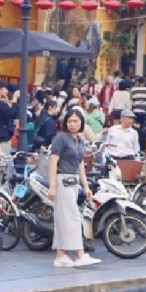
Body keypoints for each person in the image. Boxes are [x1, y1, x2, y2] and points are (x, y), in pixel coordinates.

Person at [47, 108, 101, 269]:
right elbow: (53, 161)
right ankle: (79, 254)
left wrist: (86, 186)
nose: (72, 124)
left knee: (64, 219)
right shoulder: (61, 138)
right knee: (72, 218)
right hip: (62, 180)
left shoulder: (79, 140)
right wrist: (52, 186)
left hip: (73, 181)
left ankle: (61, 255)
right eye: (69, 121)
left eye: (76, 121)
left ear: (81, 123)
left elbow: (80, 165)